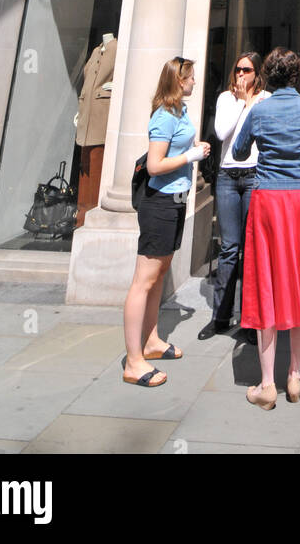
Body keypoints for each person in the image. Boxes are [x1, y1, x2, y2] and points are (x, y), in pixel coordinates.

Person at [231, 47, 300, 410]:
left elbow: (240, 150)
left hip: (270, 201)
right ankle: (294, 376)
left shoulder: (260, 110)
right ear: (295, 76)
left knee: (267, 285)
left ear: (267, 76)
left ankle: (266, 385)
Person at [122, 56, 210, 388]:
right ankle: (133, 361)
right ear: (177, 80)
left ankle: (151, 341)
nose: (194, 82)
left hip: (175, 199)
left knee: (159, 274)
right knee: (143, 279)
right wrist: (191, 156)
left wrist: (194, 149)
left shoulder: (180, 112)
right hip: (159, 202)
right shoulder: (163, 117)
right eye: (189, 77)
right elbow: (155, 165)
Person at [197, 51, 269, 340]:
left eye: (247, 70)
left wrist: (251, 102)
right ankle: (221, 316)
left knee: (252, 249)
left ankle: (250, 320)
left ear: (257, 74)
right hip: (228, 176)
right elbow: (221, 131)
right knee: (229, 248)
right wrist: (241, 101)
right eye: (238, 69)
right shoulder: (227, 99)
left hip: (254, 175)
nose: (241, 75)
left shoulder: (265, 99)